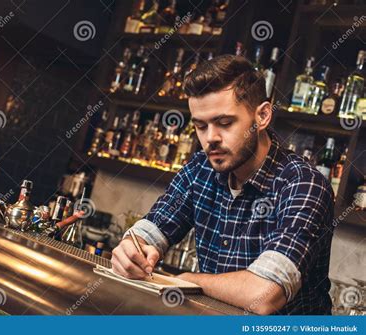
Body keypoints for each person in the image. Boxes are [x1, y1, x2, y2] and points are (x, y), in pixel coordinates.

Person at [111, 54, 335, 315]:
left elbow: (264, 295)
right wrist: (130, 249)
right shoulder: (200, 169)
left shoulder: (303, 184)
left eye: (225, 123)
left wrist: (189, 280)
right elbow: (148, 233)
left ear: (262, 116)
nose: (210, 139)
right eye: (200, 126)